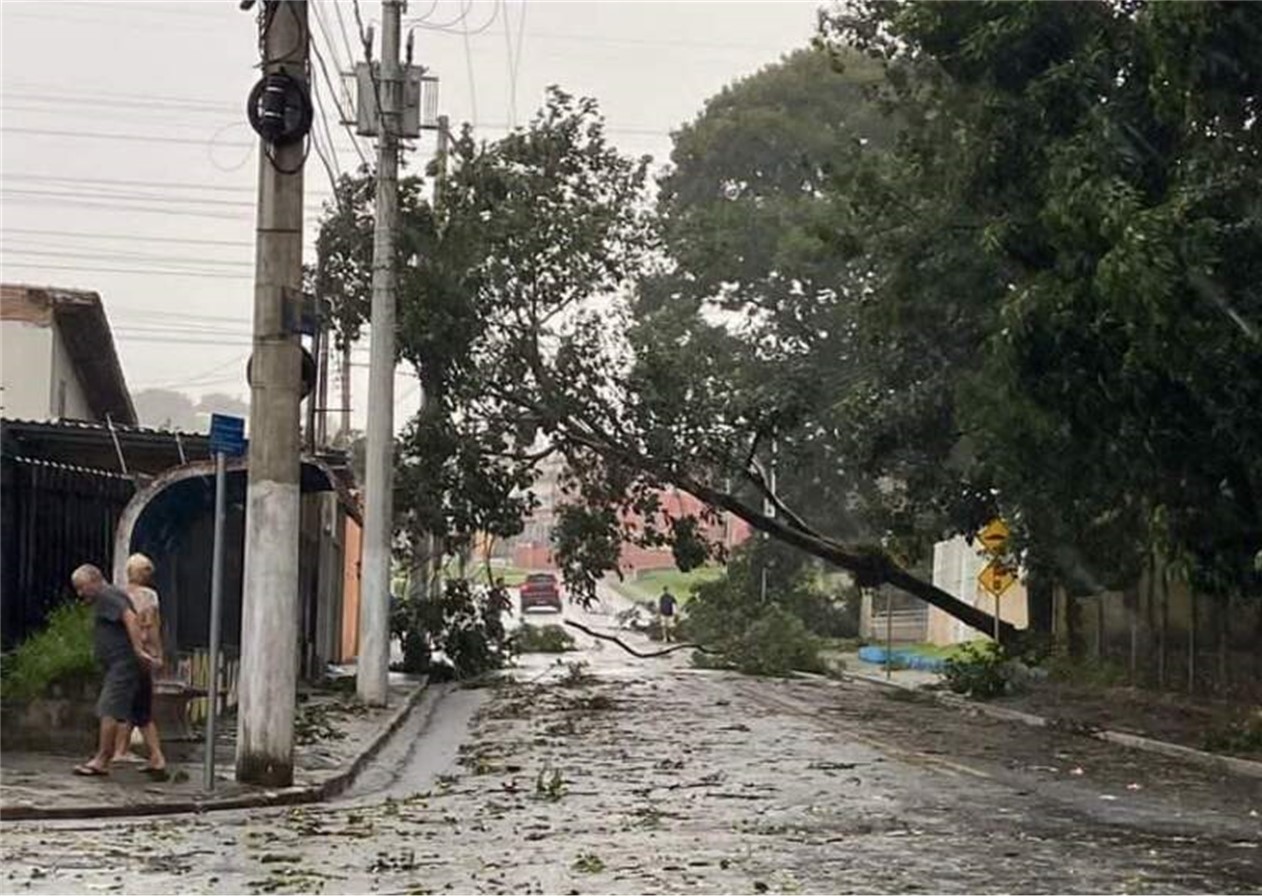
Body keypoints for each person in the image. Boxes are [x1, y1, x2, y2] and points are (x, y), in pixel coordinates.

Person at [70, 564, 160, 777]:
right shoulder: (111, 595)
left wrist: (138, 650)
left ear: (94, 580)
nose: (80, 593)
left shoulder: (106, 595)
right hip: (129, 664)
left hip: (123, 664)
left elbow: (130, 617)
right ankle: (157, 759)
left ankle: (102, 759)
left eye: (82, 587)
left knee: (108, 708)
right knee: (141, 714)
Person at [110, 554, 167, 777]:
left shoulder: (118, 594)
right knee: (141, 705)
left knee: (128, 703)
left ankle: (121, 750)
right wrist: (158, 653)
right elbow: (152, 627)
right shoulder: (149, 596)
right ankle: (153, 755)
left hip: (121, 654)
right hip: (141, 654)